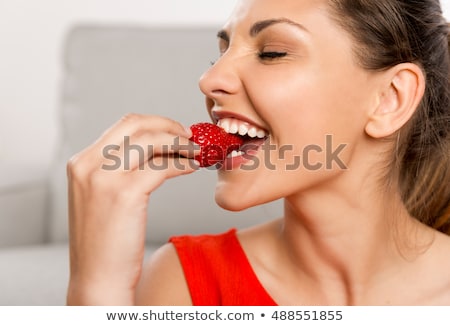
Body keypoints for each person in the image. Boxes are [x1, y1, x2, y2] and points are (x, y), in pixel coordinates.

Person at [66, 0, 450, 305]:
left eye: (272, 53)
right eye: (220, 53)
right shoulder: (184, 281)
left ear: (390, 99)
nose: (209, 79)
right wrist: (97, 286)